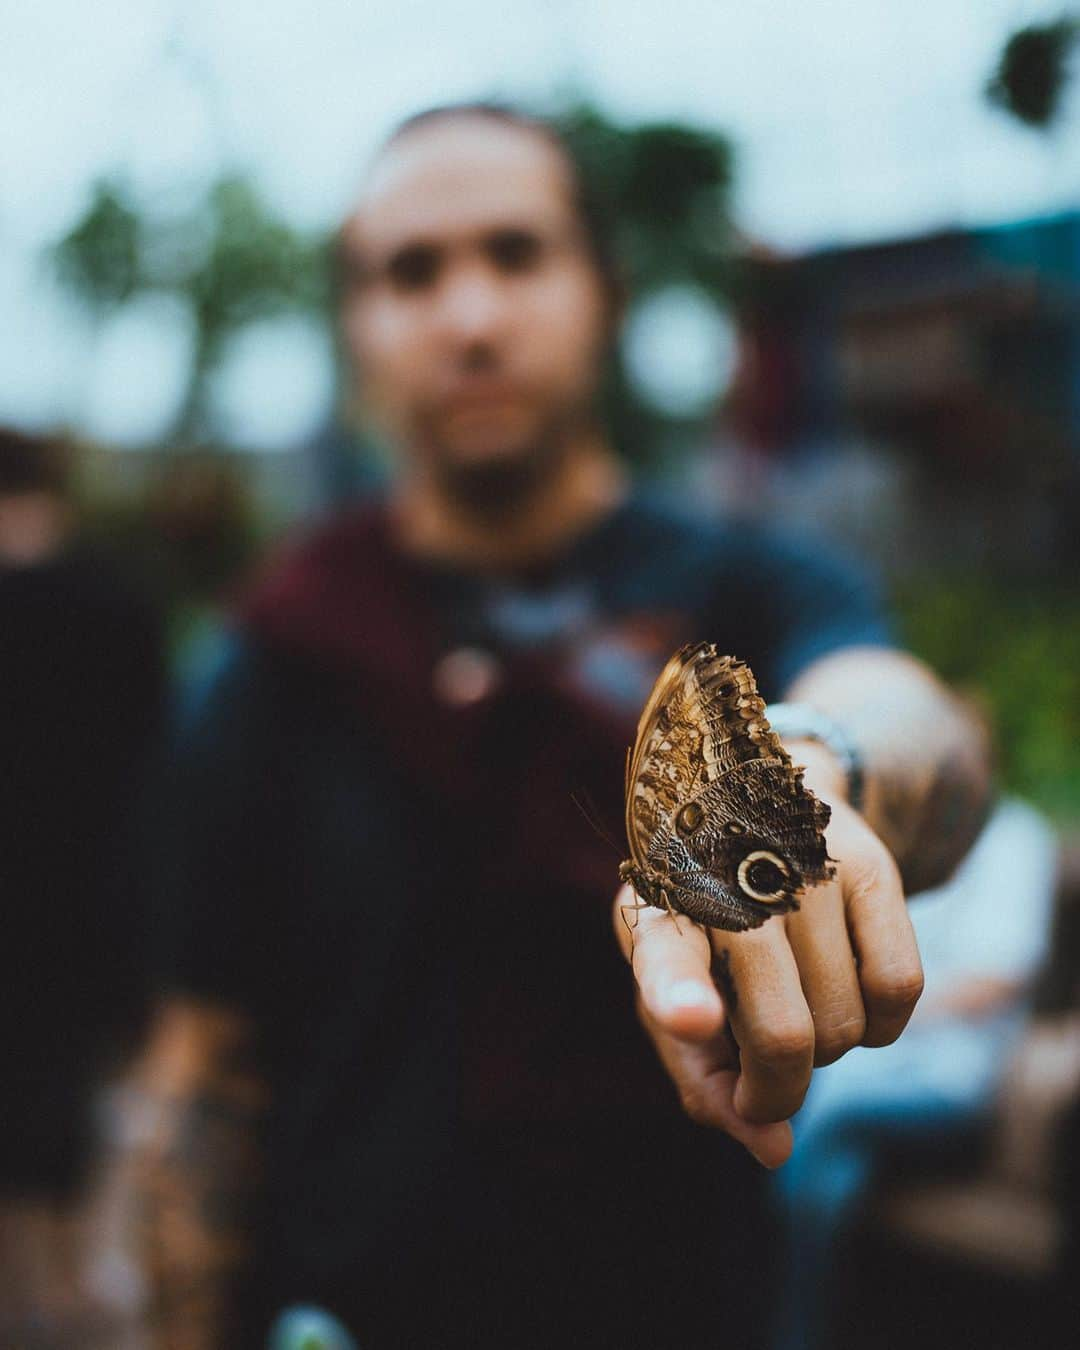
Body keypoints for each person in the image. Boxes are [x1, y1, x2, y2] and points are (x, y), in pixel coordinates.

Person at [129, 104, 990, 1349]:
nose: (470, 317)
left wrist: (812, 766)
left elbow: (917, 724)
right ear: (356, 329)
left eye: (517, 254)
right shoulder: (278, 657)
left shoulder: (747, 591)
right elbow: (199, 1068)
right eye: (411, 273)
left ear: (605, 292)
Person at [767, 794, 1059, 1350]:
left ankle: (781, 1305)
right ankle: (809, 1323)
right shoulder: (910, 822)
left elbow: (999, 975)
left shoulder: (1014, 837)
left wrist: (882, 1007)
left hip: (952, 1073)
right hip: (875, 1061)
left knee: (827, 1109)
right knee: (838, 1165)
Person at [0, 428, 165, 1342]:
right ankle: (71, 1277)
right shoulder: (118, 603)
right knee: (77, 1079)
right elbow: (160, 753)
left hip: (19, 887)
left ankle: (24, 1280)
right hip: (97, 885)